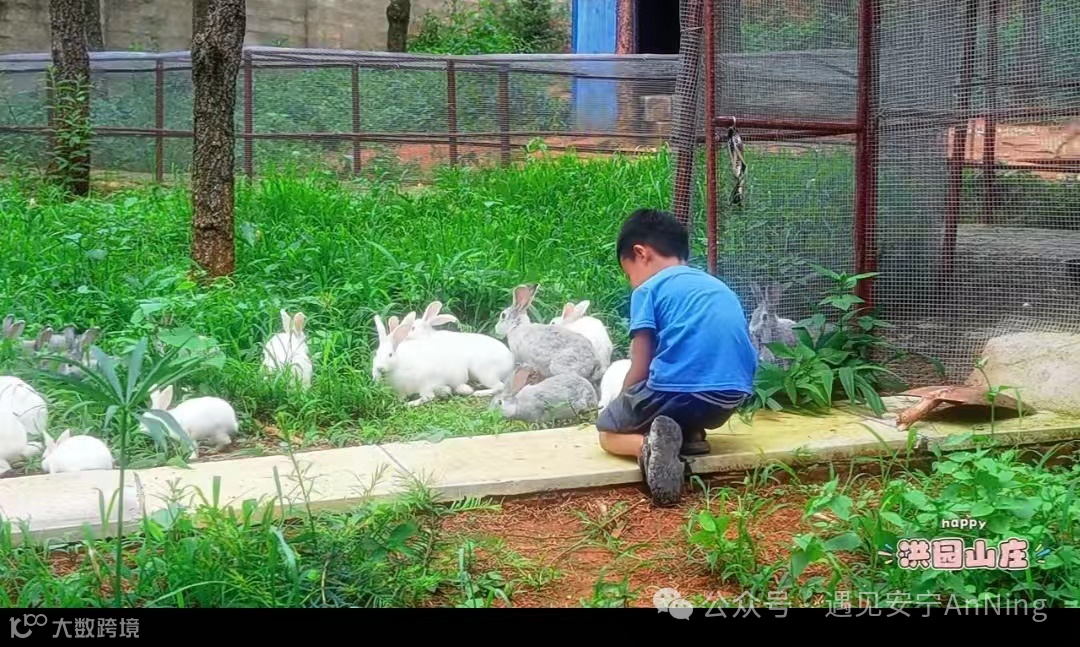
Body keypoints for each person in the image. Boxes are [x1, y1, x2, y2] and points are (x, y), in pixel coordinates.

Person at [596, 208, 757, 507]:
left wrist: (624, 402)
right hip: (730, 397)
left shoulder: (648, 290)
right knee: (678, 401)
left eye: (628, 274)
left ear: (641, 253)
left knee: (608, 431)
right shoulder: (715, 286)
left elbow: (641, 366)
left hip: (680, 390)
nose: (632, 283)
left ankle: (649, 449)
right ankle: (691, 436)